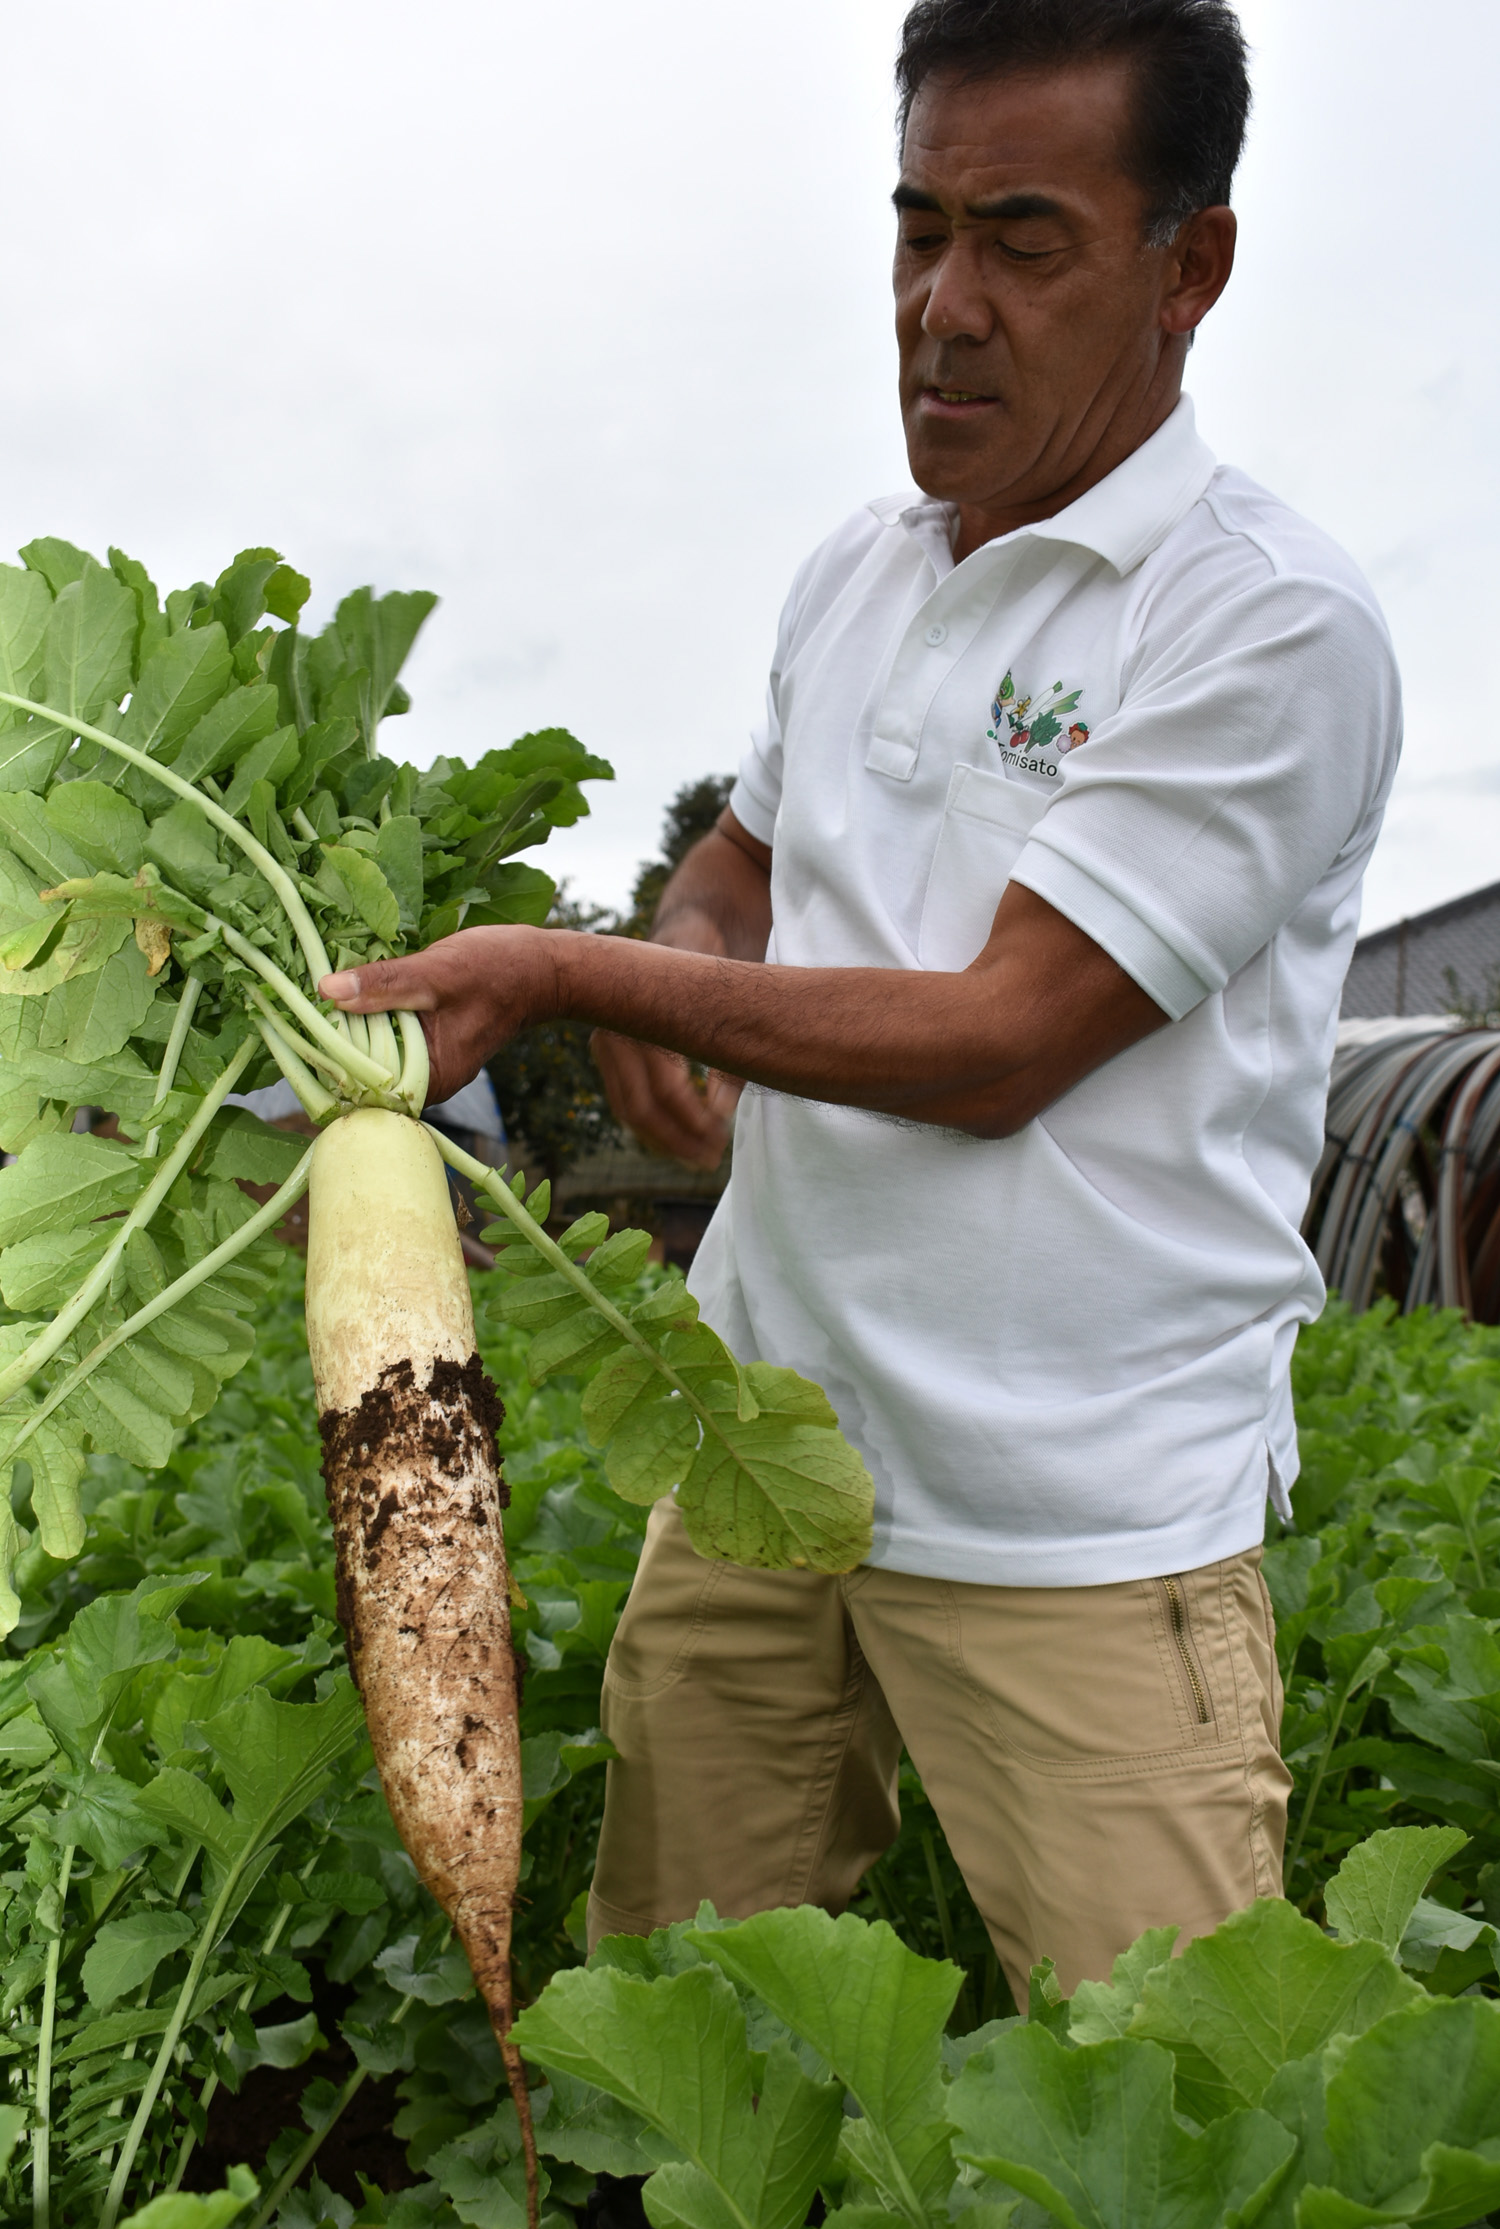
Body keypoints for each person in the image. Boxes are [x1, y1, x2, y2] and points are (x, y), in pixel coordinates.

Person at [323, 0, 1401, 2011]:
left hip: (1078, 1521)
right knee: (683, 2045)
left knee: (1177, 2107)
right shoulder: (855, 577)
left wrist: (569, 969)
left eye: (1023, 238)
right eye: (916, 231)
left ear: (1193, 267)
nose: (943, 307)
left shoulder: (1266, 621)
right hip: (763, 1457)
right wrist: (694, 945)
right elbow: (739, 855)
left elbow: (1003, 1038)